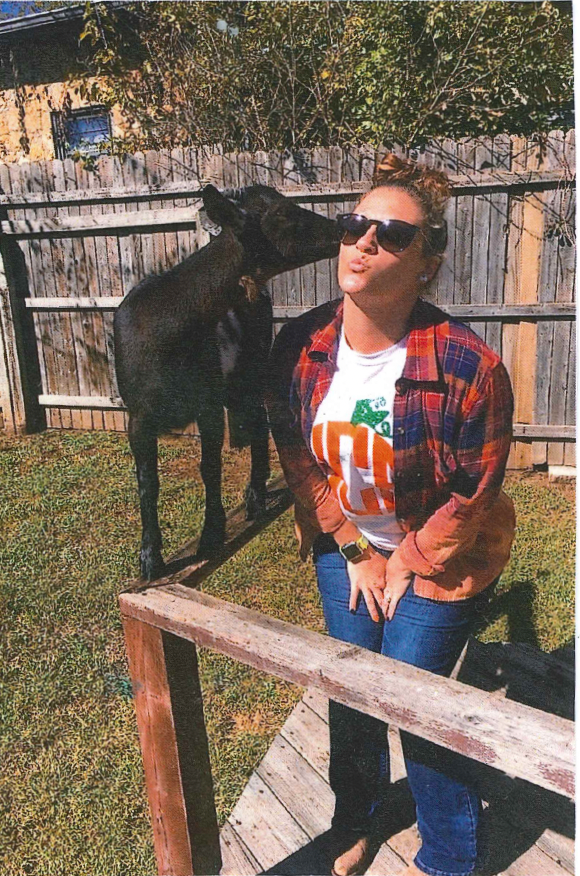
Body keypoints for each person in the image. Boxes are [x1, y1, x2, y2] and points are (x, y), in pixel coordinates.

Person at [266, 154, 515, 876]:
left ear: (427, 263)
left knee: (412, 700)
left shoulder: (469, 366)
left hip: (444, 554)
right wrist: (352, 548)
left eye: (392, 235)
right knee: (351, 693)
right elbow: (299, 458)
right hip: (347, 545)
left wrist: (403, 560)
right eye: (354, 225)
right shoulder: (300, 346)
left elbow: (473, 491)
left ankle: (448, 858)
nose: (364, 241)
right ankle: (358, 823)